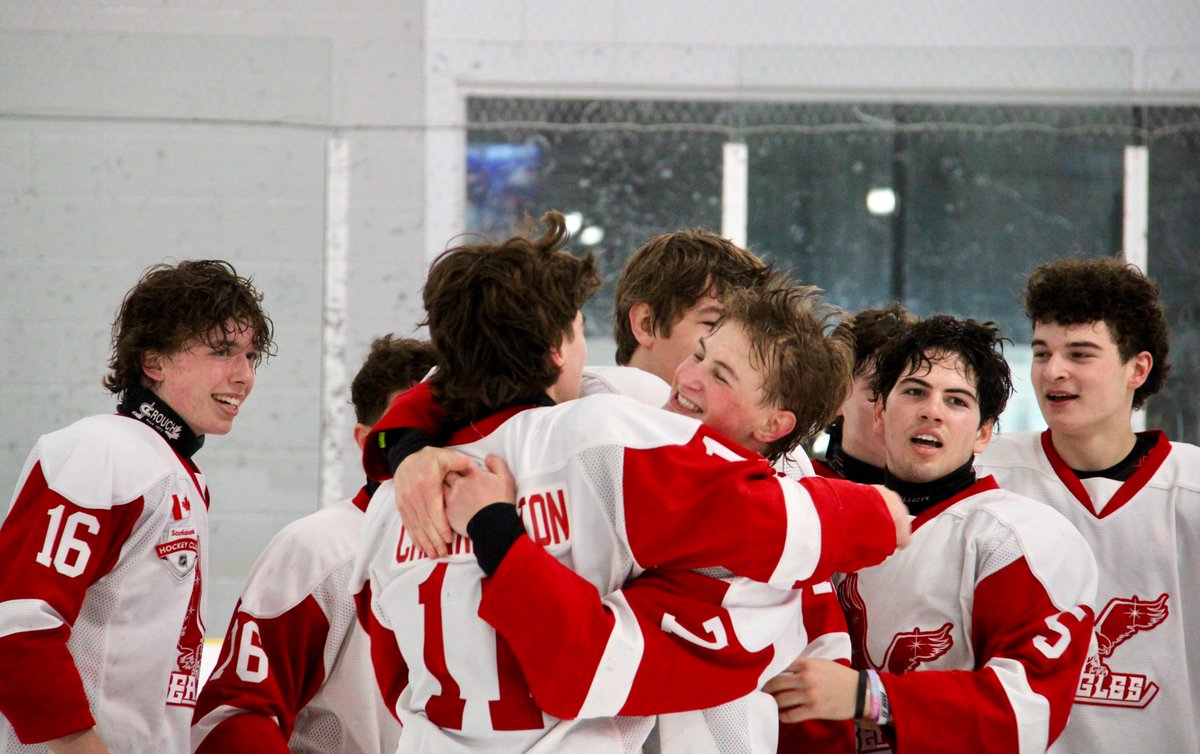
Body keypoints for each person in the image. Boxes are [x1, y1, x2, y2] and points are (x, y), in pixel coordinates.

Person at [351, 211, 910, 752]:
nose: (691, 377)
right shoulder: (612, 430)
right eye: (702, 348)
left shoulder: (389, 510)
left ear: (776, 421)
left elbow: (398, 684)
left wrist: (404, 447)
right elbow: (588, 666)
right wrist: (879, 515)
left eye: (720, 369)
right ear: (558, 349)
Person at [766, 315, 1098, 754]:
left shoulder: (1022, 540)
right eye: (915, 392)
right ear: (881, 412)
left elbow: (1025, 714)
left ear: (983, 433)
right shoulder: (824, 525)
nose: (932, 410)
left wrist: (869, 696)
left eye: (956, 401)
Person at [0, 260, 273, 754]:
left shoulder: (175, 471)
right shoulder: (102, 449)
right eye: (222, 351)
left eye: (252, 355)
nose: (244, 376)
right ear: (154, 362)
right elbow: (18, 624)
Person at [976, 257, 1200, 753]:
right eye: (1041, 353)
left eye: (1080, 354)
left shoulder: (1192, 490)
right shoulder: (984, 476)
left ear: (1136, 369)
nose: (1053, 371)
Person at [191, 335, 434, 753]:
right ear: (365, 442)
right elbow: (235, 714)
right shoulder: (320, 551)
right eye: (408, 431)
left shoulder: (497, 548)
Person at [813, 304, 916, 484]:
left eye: (914, 391)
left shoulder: (963, 503)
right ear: (835, 395)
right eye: (878, 388)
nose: (896, 406)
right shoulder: (798, 493)